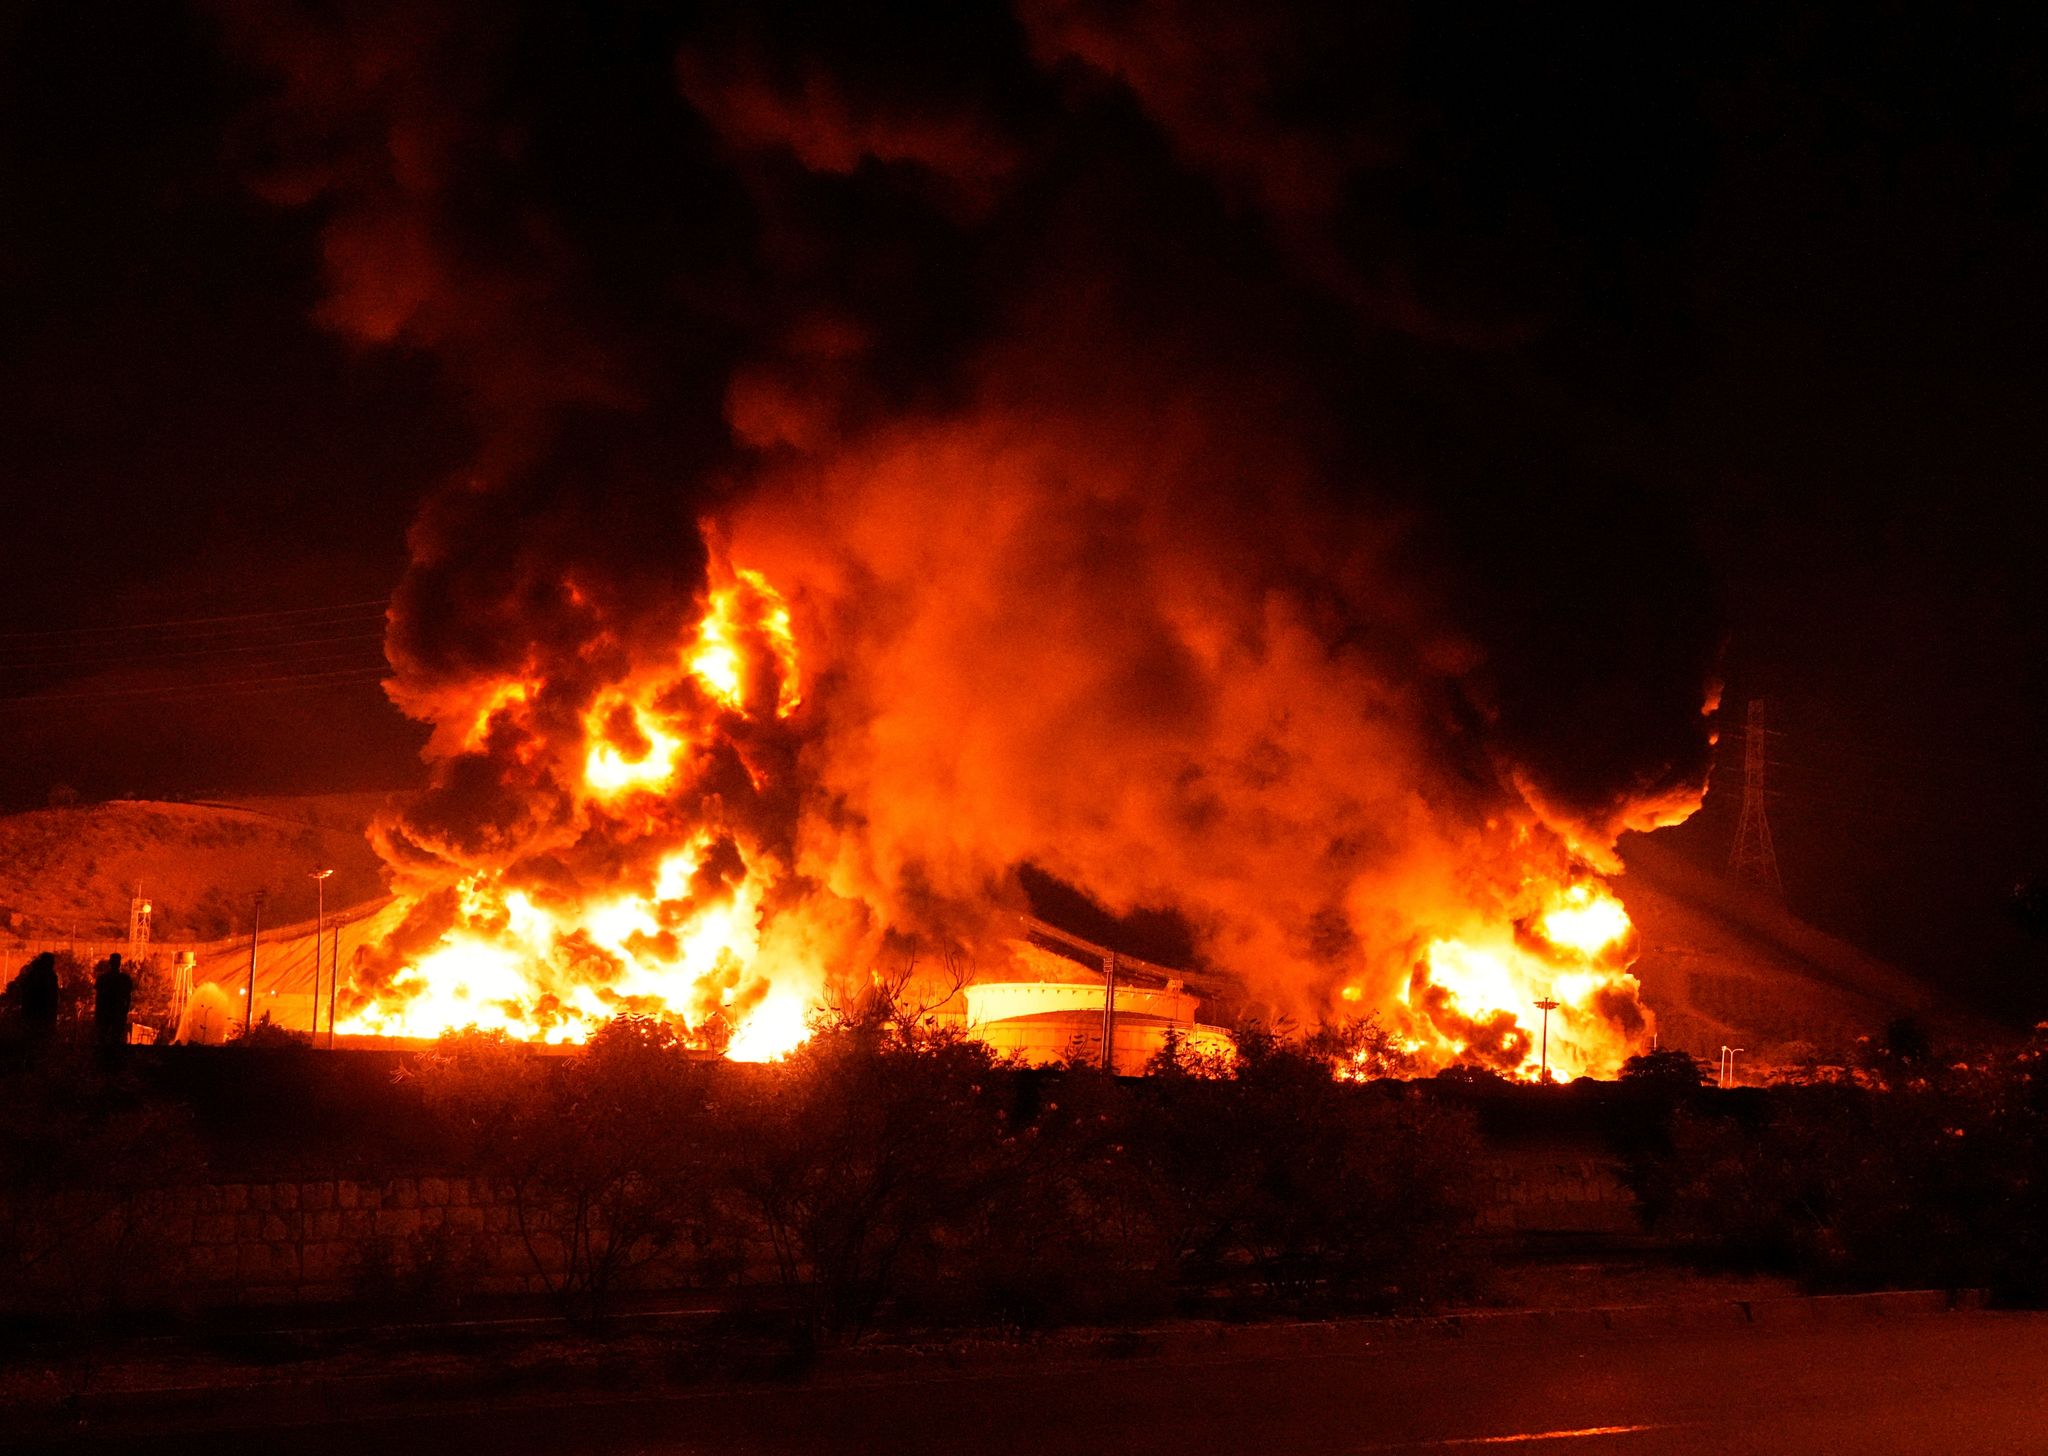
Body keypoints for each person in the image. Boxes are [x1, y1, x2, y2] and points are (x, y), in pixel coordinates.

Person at [9, 952, 61, 1044]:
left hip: (33, 1012)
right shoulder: (47, 976)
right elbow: (51, 996)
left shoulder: (33, 974)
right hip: (41, 1013)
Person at [94, 952, 135, 1050]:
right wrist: (125, 1011)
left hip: (107, 1012)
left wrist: (98, 1012)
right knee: (115, 1038)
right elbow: (128, 997)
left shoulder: (104, 978)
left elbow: (99, 997)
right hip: (117, 1012)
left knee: (103, 1038)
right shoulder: (124, 979)